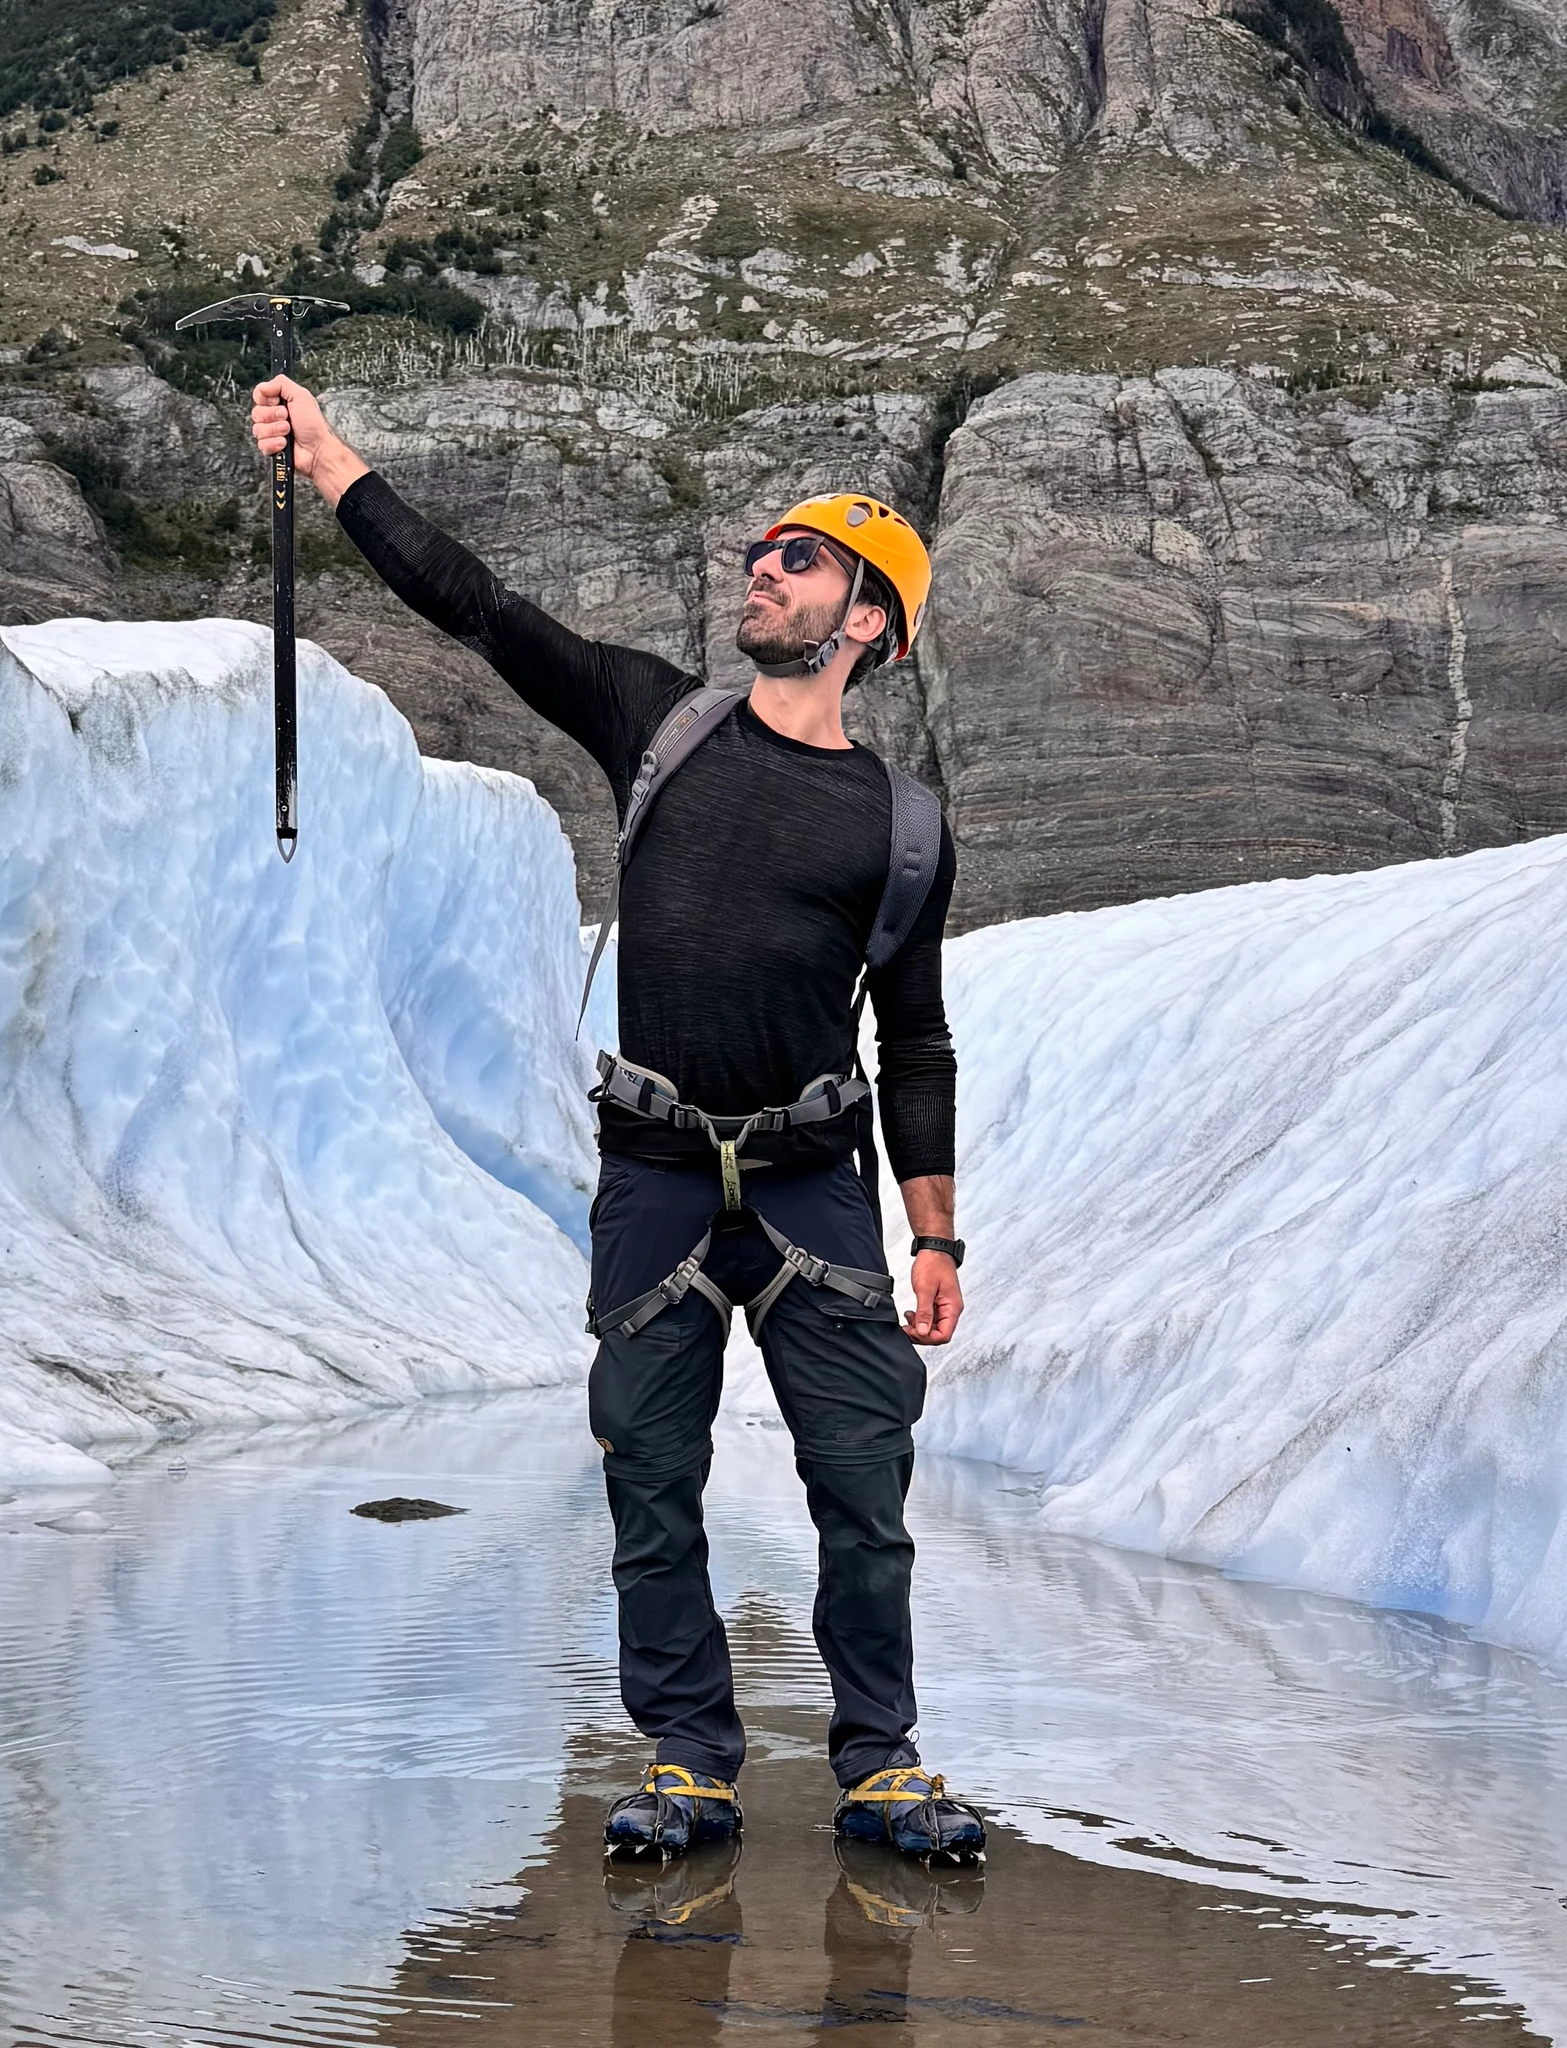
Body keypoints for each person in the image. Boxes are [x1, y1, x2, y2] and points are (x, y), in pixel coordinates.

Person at [249, 375, 987, 1866]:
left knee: (862, 1484)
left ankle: (881, 1763)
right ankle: (691, 1759)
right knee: (650, 1478)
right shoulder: (658, 719)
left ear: (867, 623)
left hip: (811, 1189)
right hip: (654, 1173)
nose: (760, 569)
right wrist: (331, 464)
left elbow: (915, 1037)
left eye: (799, 558)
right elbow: (482, 608)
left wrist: (936, 1234)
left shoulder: (901, 827)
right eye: (761, 552)